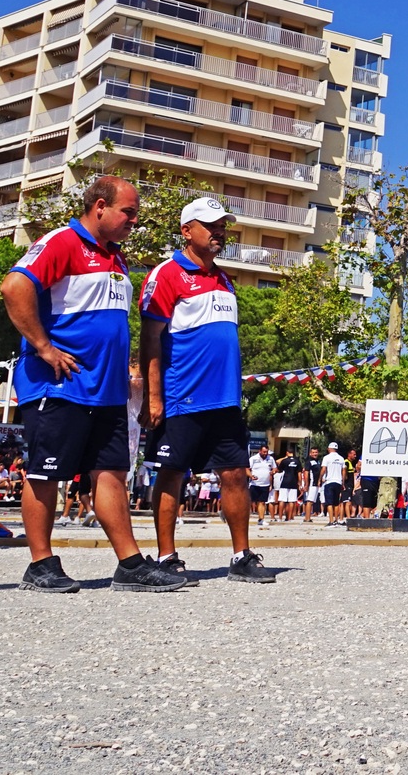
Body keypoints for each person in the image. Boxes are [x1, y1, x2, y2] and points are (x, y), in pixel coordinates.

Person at [0, 176, 183, 592]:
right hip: (59, 385)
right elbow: (14, 287)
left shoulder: (116, 258)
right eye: (128, 213)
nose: (133, 222)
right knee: (46, 474)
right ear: (99, 206)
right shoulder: (63, 242)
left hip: (106, 390)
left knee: (111, 474)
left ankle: (130, 564)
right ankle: (41, 564)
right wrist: (44, 348)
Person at [139, 197, 274, 583]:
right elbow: (150, 340)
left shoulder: (224, 278)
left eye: (222, 226)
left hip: (225, 399)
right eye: (211, 225)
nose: (219, 232)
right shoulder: (166, 274)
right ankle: (166, 557)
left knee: (235, 474)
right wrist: (153, 396)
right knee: (172, 473)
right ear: (187, 230)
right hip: (183, 394)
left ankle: (241, 556)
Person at [320, 441, 347, 524]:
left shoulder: (326, 458)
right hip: (338, 482)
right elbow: (344, 471)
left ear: (329, 449)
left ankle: (331, 521)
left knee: (329, 503)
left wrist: (320, 478)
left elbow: (324, 469)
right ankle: (336, 520)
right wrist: (343, 482)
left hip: (329, 481)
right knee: (336, 503)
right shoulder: (341, 458)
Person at [248, 445, 274, 527]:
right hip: (254, 484)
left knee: (262, 502)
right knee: (249, 502)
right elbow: (246, 469)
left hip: (265, 484)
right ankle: (244, 518)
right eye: (264, 452)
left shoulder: (271, 459)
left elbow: (275, 468)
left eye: (266, 452)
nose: (265, 453)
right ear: (259, 451)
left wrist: (273, 471)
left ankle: (261, 519)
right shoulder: (253, 459)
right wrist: (251, 476)